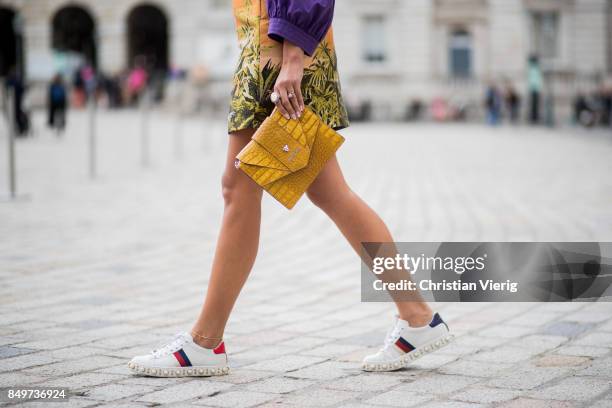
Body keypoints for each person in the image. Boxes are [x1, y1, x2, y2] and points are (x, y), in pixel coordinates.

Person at [128, 0, 451, 377]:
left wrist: (293, 53)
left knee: (240, 187)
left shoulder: (286, 47)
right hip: (275, 40)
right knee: (327, 192)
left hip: (279, 45)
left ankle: (205, 341)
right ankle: (416, 317)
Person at [527, 55, 543, 124]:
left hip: (534, 89)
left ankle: (534, 118)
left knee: (534, 105)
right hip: (535, 89)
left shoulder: (533, 68)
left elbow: (535, 80)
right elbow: (536, 80)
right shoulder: (534, 69)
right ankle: (534, 118)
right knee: (534, 105)